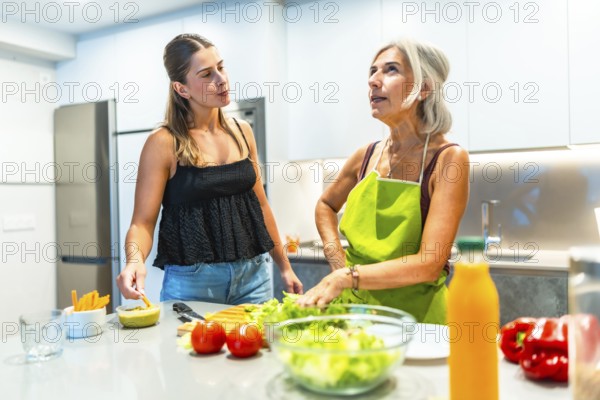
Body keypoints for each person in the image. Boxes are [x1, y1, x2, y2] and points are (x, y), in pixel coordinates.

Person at [117, 33, 303, 304]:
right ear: (182, 89)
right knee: (191, 347)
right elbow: (142, 222)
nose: (221, 79)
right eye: (206, 74)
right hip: (193, 282)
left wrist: (284, 267)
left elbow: (261, 206)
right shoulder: (164, 142)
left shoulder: (243, 132)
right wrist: (134, 261)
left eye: (221, 67)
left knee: (259, 346)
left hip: (254, 277)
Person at [297, 38, 470, 324]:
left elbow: (429, 264)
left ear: (424, 88)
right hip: (355, 311)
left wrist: (348, 276)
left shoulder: (448, 159)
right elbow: (325, 205)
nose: (374, 81)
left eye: (391, 70)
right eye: (372, 72)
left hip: (417, 320)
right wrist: (338, 262)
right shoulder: (365, 156)